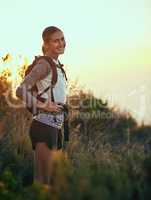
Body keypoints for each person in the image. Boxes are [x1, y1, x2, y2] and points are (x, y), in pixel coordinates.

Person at [16, 26, 68, 185]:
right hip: (44, 126)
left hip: (56, 127)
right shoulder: (45, 65)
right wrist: (43, 105)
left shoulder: (58, 66)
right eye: (55, 41)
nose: (61, 43)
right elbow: (20, 90)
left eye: (62, 39)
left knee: (53, 183)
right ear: (46, 45)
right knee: (42, 183)